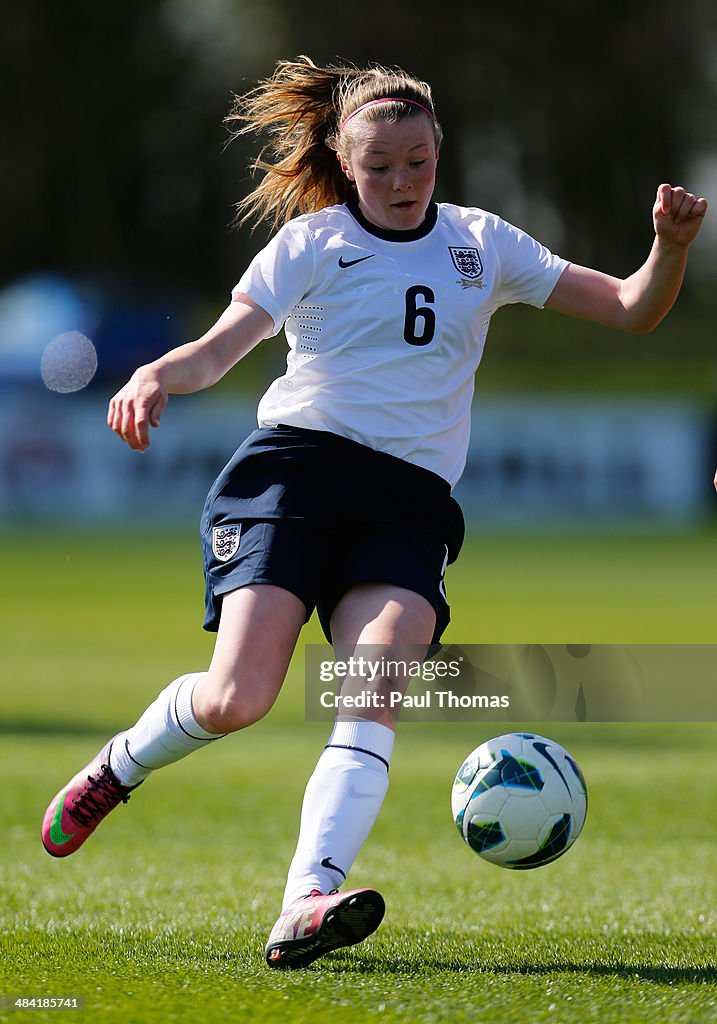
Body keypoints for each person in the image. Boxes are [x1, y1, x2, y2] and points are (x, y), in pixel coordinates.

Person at [41, 56, 708, 969]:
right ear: (346, 165)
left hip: (407, 504)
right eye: (381, 166)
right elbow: (218, 349)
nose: (401, 182)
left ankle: (306, 898)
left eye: (418, 163)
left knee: (374, 685)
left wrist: (667, 246)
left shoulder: (485, 242)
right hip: (292, 479)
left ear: (440, 153)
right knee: (238, 699)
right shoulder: (310, 245)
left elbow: (633, 311)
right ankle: (119, 766)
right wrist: (158, 374)